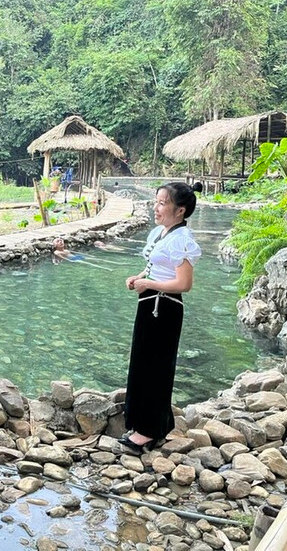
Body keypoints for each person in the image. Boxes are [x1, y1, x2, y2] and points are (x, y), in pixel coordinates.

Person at [119, 182, 203, 454]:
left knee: (156, 367)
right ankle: (143, 422)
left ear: (180, 211)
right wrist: (139, 277)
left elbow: (184, 284)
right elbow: (154, 267)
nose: (156, 207)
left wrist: (150, 285)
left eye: (162, 203)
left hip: (165, 308)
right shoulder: (161, 232)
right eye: (156, 201)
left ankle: (149, 431)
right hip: (150, 304)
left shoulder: (182, 240)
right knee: (142, 362)